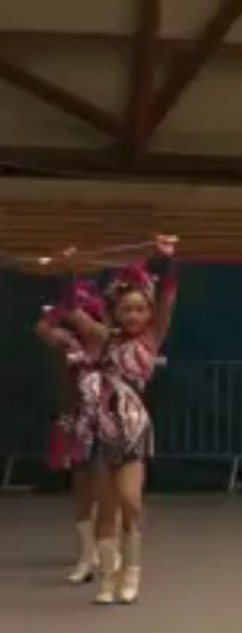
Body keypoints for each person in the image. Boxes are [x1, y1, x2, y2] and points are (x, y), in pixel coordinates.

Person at [64, 236, 179, 605]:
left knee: (131, 502)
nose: (133, 316)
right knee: (107, 507)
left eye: (140, 310)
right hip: (102, 429)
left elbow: (168, 298)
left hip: (132, 430)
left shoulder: (151, 339)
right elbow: (73, 311)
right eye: (126, 309)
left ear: (149, 314)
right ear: (115, 311)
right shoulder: (104, 338)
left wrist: (165, 259)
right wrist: (71, 268)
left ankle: (132, 572)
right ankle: (108, 579)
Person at [34, 280, 109, 584]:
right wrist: (54, 329)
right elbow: (43, 328)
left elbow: (107, 334)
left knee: (107, 483)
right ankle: (86, 555)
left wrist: (85, 321)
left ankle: (109, 545)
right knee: (81, 483)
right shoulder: (68, 334)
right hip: (76, 412)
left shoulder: (110, 314)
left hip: (108, 412)